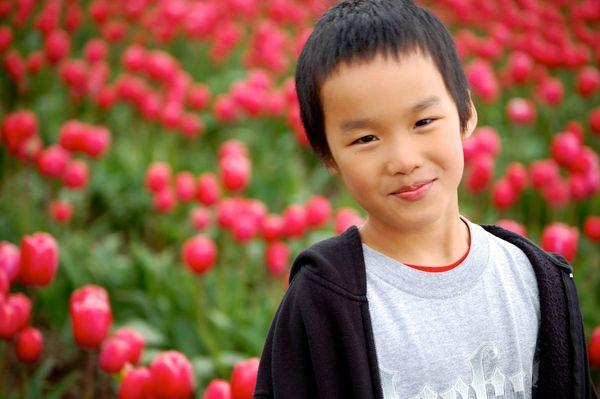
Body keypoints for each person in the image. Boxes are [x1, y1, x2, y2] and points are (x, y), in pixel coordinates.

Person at [254, 0, 598, 398]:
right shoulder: (322, 304)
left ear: (466, 112)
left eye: (423, 122)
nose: (403, 160)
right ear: (328, 155)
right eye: (366, 138)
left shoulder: (535, 279)